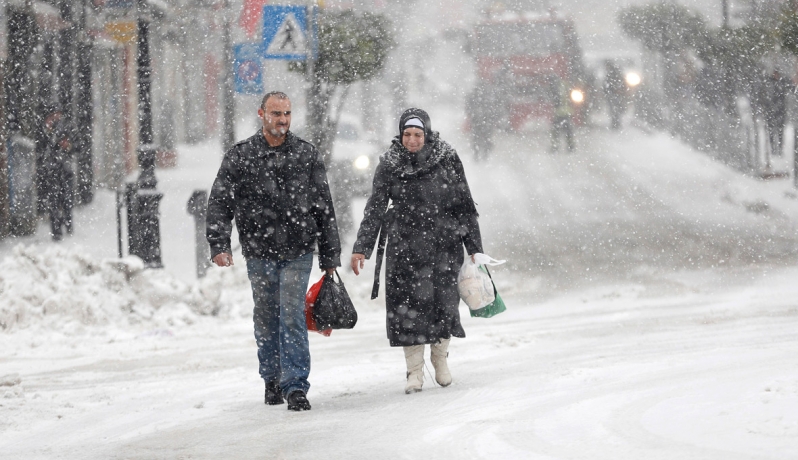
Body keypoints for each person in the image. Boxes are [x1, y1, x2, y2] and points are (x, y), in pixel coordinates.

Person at [206, 91, 341, 412]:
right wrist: (219, 244)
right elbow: (220, 201)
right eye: (276, 113)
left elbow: (324, 206)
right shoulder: (241, 156)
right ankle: (271, 377)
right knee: (266, 316)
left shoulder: (306, 155)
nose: (282, 119)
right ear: (261, 114)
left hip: (298, 249)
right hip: (258, 250)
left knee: (292, 314)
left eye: (287, 114)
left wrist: (329, 255)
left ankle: (295, 385)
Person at [350, 108, 483, 394]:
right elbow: (374, 208)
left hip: (443, 245)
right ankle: (413, 371)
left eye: (417, 135)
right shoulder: (389, 163)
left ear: (427, 134)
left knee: (444, 305)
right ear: (400, 135)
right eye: (407, 135)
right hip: (404, 247)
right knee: (407, 310)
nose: (412, 140)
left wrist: (475, 248)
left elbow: (464, 204)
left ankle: (440, 359)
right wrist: (362, 247)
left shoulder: (446, 158)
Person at [41, 106, 74, 241]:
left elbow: (71, 145)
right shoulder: (45, 130)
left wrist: (66, 146)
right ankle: (56, 231)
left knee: (65, 200)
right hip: (52, 172)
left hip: (63, 171)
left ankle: (67, 224)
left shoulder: (64, 127)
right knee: (54, 202)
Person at [550, 77, 575, 152]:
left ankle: (555, 146)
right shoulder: (568, 86)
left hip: (559, 113)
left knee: (556, 130)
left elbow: (554, 99)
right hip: (566, 113)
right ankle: (570, 146)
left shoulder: (556, 86)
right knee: (567, 131)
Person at [603, 60, 627, 130]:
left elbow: (606, 85)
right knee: (615, 109)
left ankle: (615, 123)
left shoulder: (611, 74)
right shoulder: (615, 73)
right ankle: (616, 122)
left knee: (614, 109)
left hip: (613, 94)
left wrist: (608, 92)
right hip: (615, 94)